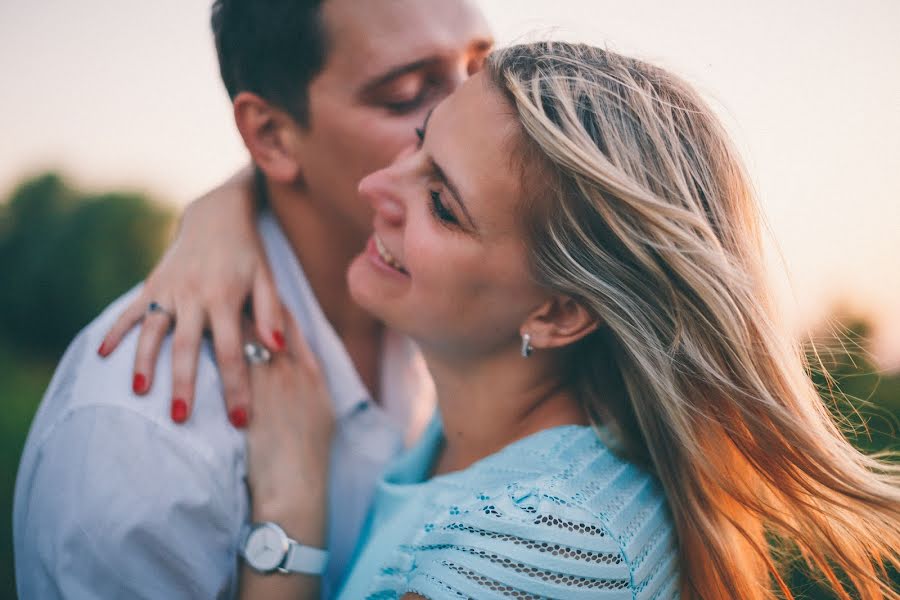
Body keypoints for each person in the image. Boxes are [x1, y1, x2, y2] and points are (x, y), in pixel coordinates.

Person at [106, 43, 900, 598]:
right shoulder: (473, 423)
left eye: (443, 205)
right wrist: (219, 209)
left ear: (557, 312)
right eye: (418, 144)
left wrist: (288, 512)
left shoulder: (545, 540)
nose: (380, 185)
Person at [13, 0, 492, 597]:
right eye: (407, 93)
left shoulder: (479, 301)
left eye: (483, 67)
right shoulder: (141, 435)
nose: (471, 116)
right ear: (270, 135)